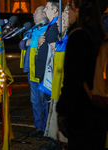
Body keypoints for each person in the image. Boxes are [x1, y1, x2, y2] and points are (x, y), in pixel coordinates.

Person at [56, 0, 108, 149]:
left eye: (69, 8)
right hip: (100, 107)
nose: (66, 13)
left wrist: (62, 110)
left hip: (82, 113)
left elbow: (73, 80)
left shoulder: (78, 36)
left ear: (78, 10)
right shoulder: (100, 34)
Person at [39, 4, 69, 150]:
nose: (58, 22)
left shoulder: (72, 39)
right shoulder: (63, 38)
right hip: (56, 84)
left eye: (62, 19)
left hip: (63, 86)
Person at [19, 6, 49, 139]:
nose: (33, 13)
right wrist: (31, 42)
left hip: (43, 72)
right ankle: (39, 127)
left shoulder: (48, 29)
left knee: (45, 102)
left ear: (44, 14)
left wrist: (30, 42)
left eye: (36, 11)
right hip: (32, 71)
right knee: (35, 101)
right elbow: (21, 44)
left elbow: (46, 44)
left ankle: (48, 129)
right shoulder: (33, 29)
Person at [35, 0, 63, 140]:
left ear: (55, 11)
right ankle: (50, 135)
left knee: (52, 108)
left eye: (47, 7)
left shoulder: (56, 26)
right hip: (45, 75)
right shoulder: (51, 25)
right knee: (48, 107)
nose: (44, 10)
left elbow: (54, 52)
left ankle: (54, 139)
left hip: (50, 76)